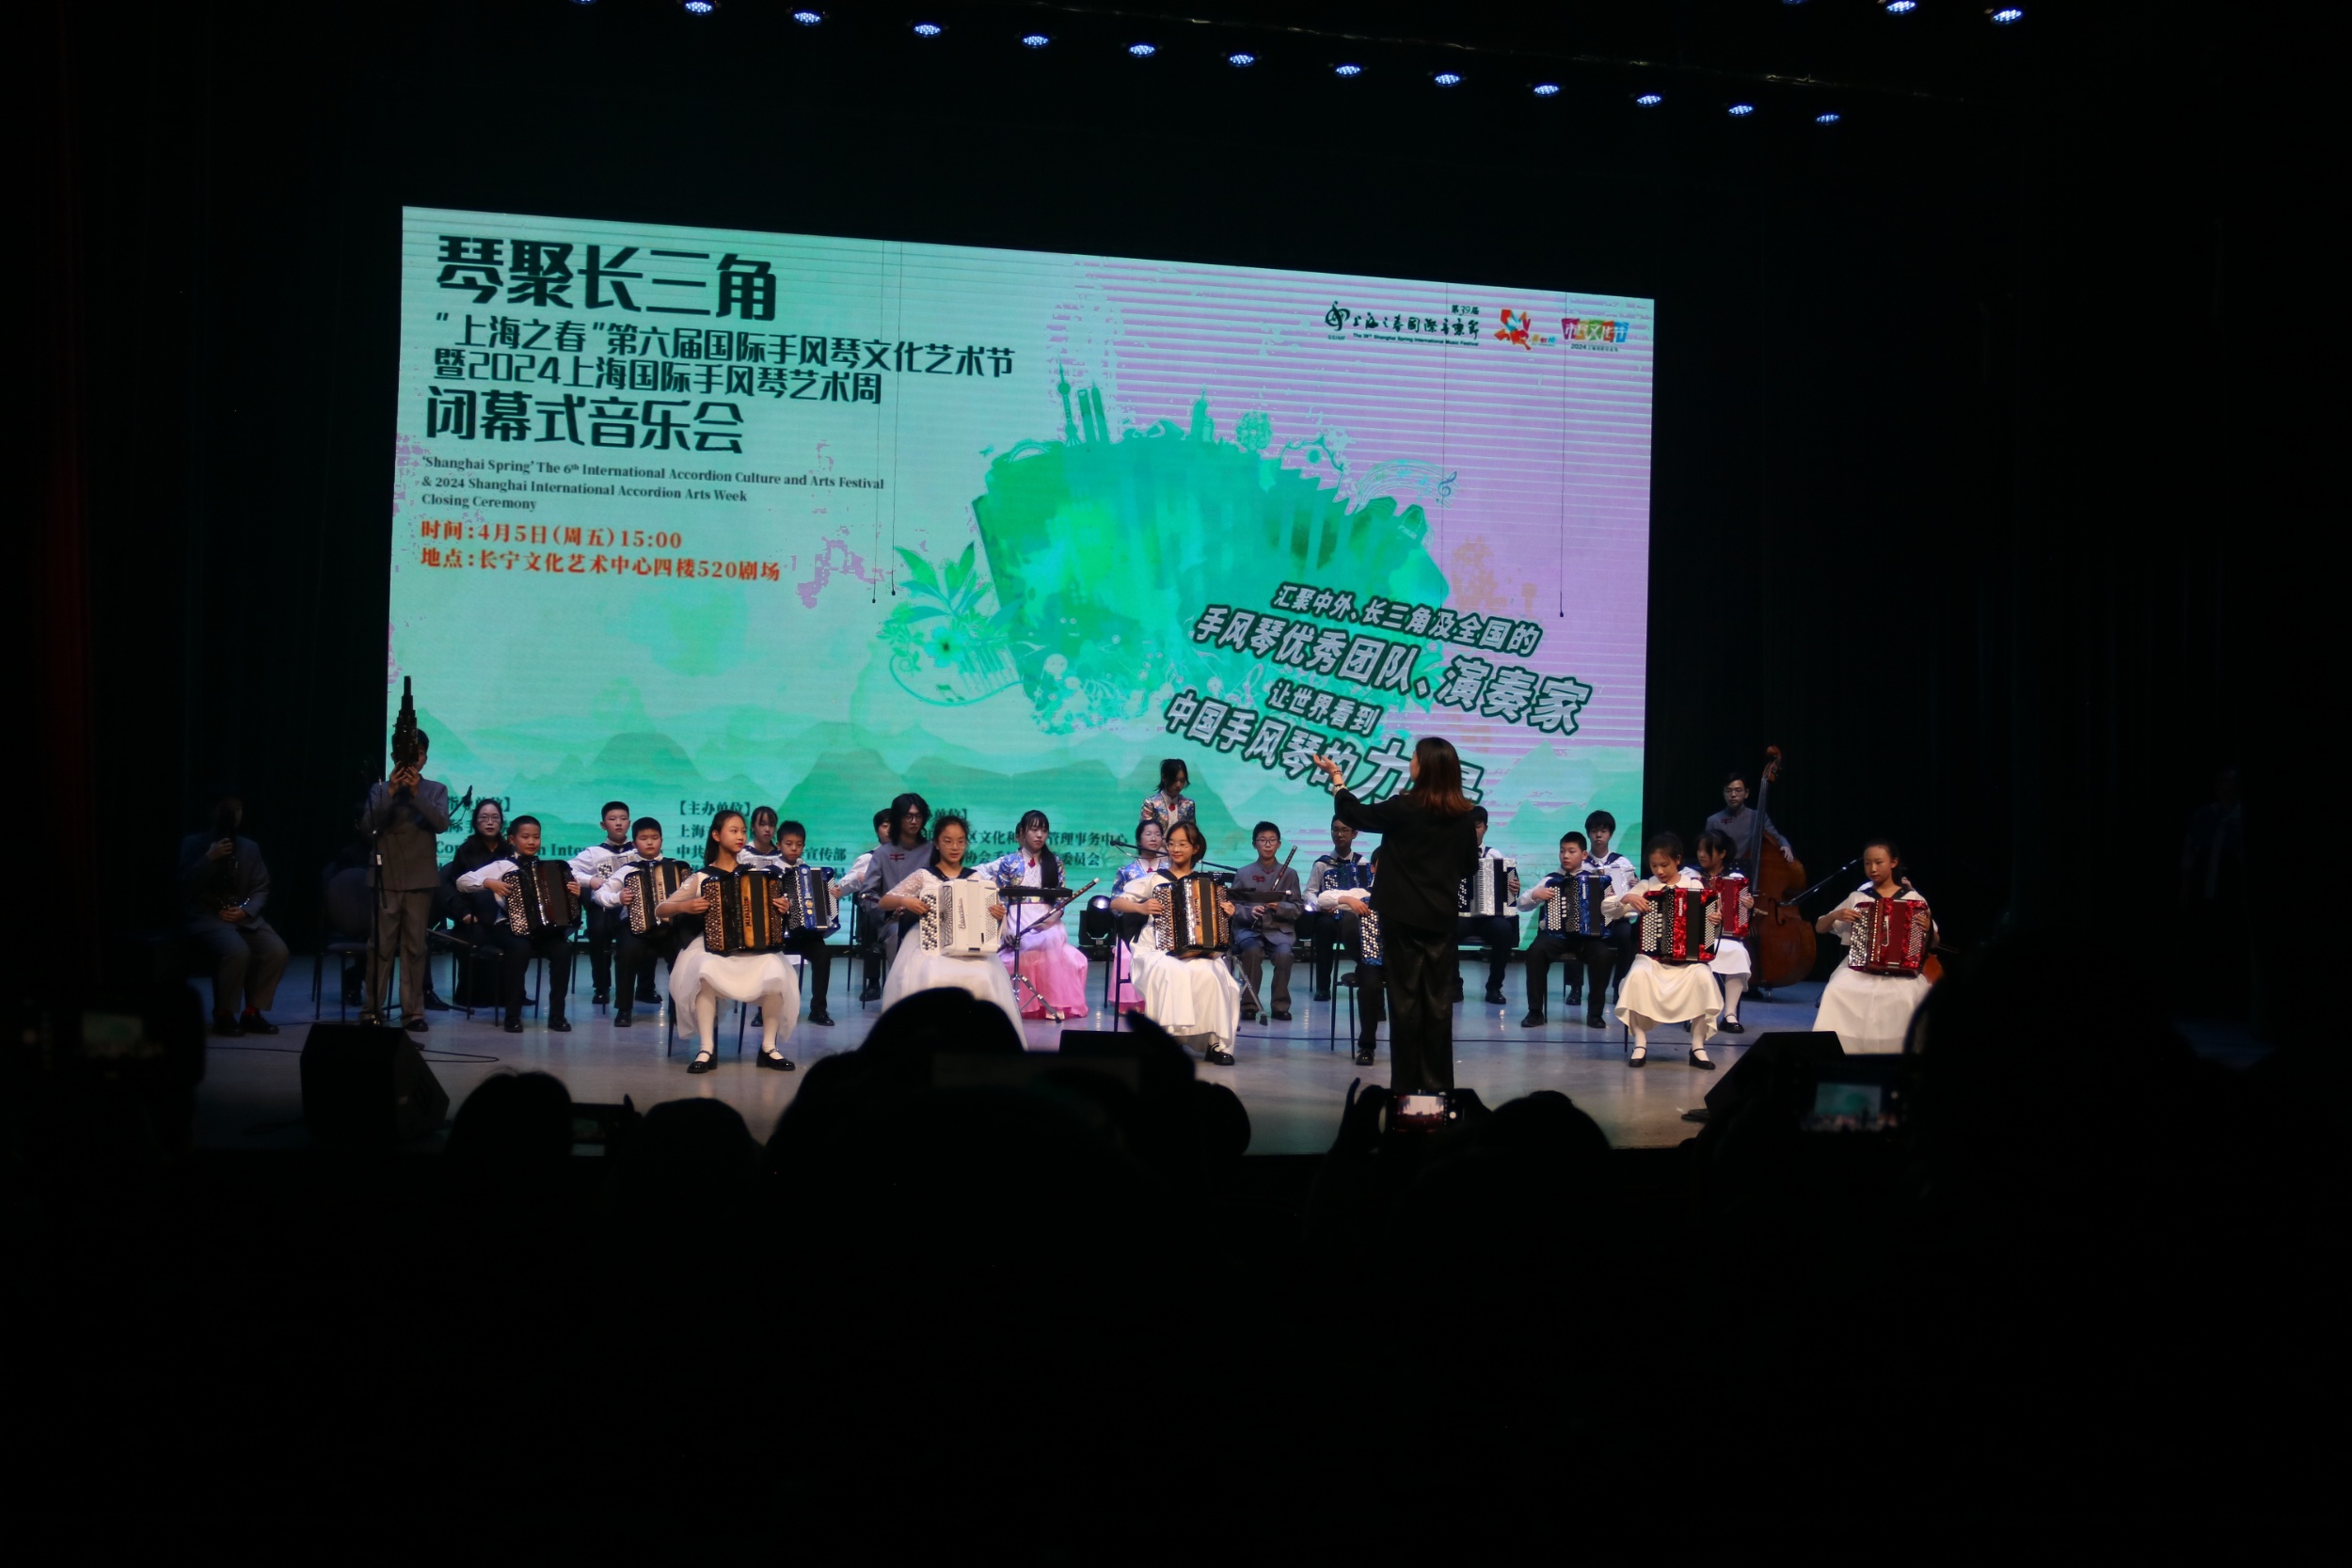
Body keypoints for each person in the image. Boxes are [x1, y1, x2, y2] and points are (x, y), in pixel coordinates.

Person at [1311, 737, 1480, 1097]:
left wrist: (1337, 778)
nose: (1410, 762)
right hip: (1441, 919)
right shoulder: (1464, 815)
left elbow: (1354, 814)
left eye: (1414, 757)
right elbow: (1468, 866)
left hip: (1401, 918)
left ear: (1425, 766)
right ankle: (1438, 1087)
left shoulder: (1405, 807)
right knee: (1438, 1004)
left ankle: (1405, 1088)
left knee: (1405, 1003)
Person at [654, 810, 801, 1074]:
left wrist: (783, 906)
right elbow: (661, 909)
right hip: (713, 946)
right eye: (733, 831)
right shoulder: (701, 877)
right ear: (716, 835)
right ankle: (706, 1048)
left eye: (743, 831)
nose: (741, 836)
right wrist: (686, 906)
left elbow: (773, 911)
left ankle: (769, 1047)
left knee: (777, 970)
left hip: (752, 949)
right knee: (704, 970)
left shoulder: (757, 875)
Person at [877, 814, 1025, 1035]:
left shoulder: (976, 878)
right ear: (936, 843)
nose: (955, 847)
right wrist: (906, 901)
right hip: (930, 944)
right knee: (931, 973)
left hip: (969, 948)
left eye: (960, 841)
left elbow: (988, 921)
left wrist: (997, 915)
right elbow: (884, 901)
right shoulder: (924, 876)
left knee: (986, 975)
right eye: (948, 841)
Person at [1111, 820, 1243, 1066]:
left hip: (1196, 951)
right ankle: (1167, 1041)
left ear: (1195, 848)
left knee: (1212, 973)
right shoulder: (1155, 879)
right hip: (1155, 947)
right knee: (1171, 971)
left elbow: (1214, 922)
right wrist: (1141, 907)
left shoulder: (1205, 884)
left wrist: (1226, 912)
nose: (1176, 849)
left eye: (1182, 844)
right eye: (1171, 844)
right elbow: (1116, 902)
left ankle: (1215, 1043)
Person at [455, 815, 582, 1035]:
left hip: (542, 929)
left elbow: (562, 902)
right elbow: (462, 882)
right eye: (525, 837)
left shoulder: (550, 868)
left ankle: (557, 1015)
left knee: (563, 950)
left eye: (536, 837)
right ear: (512, 839)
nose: (532, 842)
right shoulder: (503, 865)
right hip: (508, 926)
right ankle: (512, 1015)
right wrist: (488, 883)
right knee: (519, 948)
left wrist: (574, 893)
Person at [1606, 832, 1724, 1069]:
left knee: (1704, 977)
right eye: (1654, 865)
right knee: (1636, 975)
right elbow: (1607, 909)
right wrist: (1626, 898)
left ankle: (1697, 1046)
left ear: (1677, 860)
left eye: (1664, 865)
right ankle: (1640, 1043)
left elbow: (1712, 927)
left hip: (1688, 962)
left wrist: (1715, 920)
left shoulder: (1694, 885)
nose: (1659, 871)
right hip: (1653, 959)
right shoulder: (1646, 886)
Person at [361, 732, 452, 1031]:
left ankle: (413, 1013)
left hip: (419, 878)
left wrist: (414, 793)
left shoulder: (435, 789)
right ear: (393, 757)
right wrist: (391, 791)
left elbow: (441, 823)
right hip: (385, 877)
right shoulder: (379, 790)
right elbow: (367, 827)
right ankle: (372, 1010)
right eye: (407, 754)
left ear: (425, 758)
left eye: (419, 754)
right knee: (380, 947)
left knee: (415, 947)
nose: (414, 760)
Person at [177, 796, 289, 1037]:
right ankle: (224, 1014)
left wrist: (245, 909)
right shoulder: (194, 843)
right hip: (208, 916)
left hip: (243, 915)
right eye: (227, 808)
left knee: (276, 951)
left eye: (238, 808)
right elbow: (185, 885)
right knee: (237, 951)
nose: (234, 813)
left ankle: (252, 1012)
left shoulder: (249, 847)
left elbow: (261, 886)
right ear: (212, 811)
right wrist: (208, 859)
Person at [1813, 839, 1935, 1054]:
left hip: (1901, 969)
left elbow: (1934, 942)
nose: (1873, 868)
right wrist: (1835, 915)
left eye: (1879, 862)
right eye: (1868, 863)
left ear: (1893, 863)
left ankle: (1900, 1053)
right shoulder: (1858, 897)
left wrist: (1928, 930)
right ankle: (1839, 1052)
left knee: (1908, 997)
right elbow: (1820, 927)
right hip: (1859, 967)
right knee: (1836, 990)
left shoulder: (1913, 898)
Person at [988, 810, 1089, 1022]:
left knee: (1049, 941)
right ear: (1022, 833)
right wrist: (1005, 928)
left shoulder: (1054, 862)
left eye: (1044, 830)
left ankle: (1053, 1003)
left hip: (1047, 918)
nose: (1039, 835)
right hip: (1016, 916)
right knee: (1023, 946)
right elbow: (1001, 899)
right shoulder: (1008, 862)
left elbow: (1060, 901)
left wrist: (1050, 920)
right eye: (1034, 830)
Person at [596, 816, 692, 1029]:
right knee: (626, 952)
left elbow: (692, 894)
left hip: (669, 928)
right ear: (634, 842)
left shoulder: (677, 868)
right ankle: (624, 1008)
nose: (649, 842)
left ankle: (678, 1009)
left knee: (683, 954)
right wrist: (618, 898)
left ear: (661, 840)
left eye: (654, 838)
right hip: (634, 928)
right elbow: (599, 894)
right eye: (643, 838)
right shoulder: (627, 870)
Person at [1516, 831, 1616, 1031]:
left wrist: (1611, 902)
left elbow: (1611, 910)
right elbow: (1522, 904)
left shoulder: (1597, 880)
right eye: (1562, 851)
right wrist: (1536, 894)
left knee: (1603, 955)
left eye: (1571, 851)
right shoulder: (1551, 879)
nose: (1566, 856)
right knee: (1535, 952)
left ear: (1584, 855)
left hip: (1586, 938)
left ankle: (1595, 1014)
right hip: (1555, 936)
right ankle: (1535, 1012)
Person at [766, 819, 840, 1026]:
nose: (794, 848)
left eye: (798, 844)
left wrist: (832, 895)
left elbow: (819, 903)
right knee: (766, 955)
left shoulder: (808, 871)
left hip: (803, 934)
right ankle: (764, 1010)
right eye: (789, 844)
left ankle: (818, 1009)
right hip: (777, 933)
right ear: (778, 845)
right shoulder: (771, 872)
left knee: (823, 954)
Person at [861, 791, 934, 999]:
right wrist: (891, 909)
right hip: (895, 920)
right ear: (897, 818)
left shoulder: (932, 850)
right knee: (896, 935)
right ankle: (899, 994)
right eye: (908, 816)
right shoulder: (882, 853)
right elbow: (867, 895)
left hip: (930, 918)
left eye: (918, 816)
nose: (914, 821)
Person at [570, 800, 643, 1009]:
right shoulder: (594, 853)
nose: (618, 823)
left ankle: (645, 987)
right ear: (603, 825)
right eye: (612, 819)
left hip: (632, 907)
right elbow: (568, 869)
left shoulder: (639, 850)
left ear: (629, 823)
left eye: (623, 819)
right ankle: (601, 987)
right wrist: (590, 880)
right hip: (604, 907)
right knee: (598, 929)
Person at [1230, 821, 1304, 1022]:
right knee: (1252, 953)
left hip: (1279, 931)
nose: (1268, 844)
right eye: (1262, 840)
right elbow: (1233, 906)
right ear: (1254, 844)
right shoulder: (1243, 873)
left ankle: (1280, 1006)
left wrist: (1278, 907)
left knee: (1284, 955)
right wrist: (1250, 911)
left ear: (1279, 844)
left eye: (1272, 840)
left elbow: (1298, 907)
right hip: (1250, 930)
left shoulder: (1290, 874)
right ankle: (1249, 1005)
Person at [1318, 847, 1384, 1067]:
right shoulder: (1362, 894)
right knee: (1369, 985)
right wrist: (1348, 900)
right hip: (1370, 961)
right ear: (1373, 868)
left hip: (1401, 960)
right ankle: (1367, 1046)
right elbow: (1323, 899)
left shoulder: (1406, 894)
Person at [1455, 804, 1521, 1006]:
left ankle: (1494, 987)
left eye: (1477, 827)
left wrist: (1514, 888)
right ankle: (1454, 985)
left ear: (1485, 828)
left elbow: (1512, 893)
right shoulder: (1453, 855)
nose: (1473, 831)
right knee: (1445, 931)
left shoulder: (1495, 856)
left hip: (1489, 917)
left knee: (1504, 930)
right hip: (1462, 916)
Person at [1301, 815, 1370, 1001]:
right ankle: (1323, 987)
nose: (1339, 834)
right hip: (1329, 916)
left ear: (1354, 834)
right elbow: (1309, 893)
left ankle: (1365, 974)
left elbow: (1367, 893)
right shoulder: (1322, 864)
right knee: (1324, 926)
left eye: (1344, 830)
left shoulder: (1363, 863)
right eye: (1335, 830)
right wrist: (1320, 906)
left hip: (1355, 917)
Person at [1695, 828, 1756, 1033]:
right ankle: (1699, 1013)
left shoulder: (1735, 879)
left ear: (1722, 853)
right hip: (1695, 936)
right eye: (1699, 849)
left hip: (1727, 936)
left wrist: (1748, 906)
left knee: (1739, 953)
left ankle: (1730, 1014)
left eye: (1707, 850)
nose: (1701, 854)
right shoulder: (1691, 877)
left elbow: (1742, 917)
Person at [833, 807, 897, 1001]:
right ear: (877, 830)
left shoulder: (910, 855)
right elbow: (847, 883)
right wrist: (842, 888)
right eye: (884, 826)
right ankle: (873, 983)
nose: (889, 830)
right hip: (877, 915)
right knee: (869, 913)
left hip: (903, 910)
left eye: (893, 825)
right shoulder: (869, 858)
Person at [1108, 820, 1171, 1014]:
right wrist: (1139, 908)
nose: (1154, 838)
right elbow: (1115, 904)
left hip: (1164, 926)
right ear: (1138, 840)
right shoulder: (1127, 871)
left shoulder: (1170, 869)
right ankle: (1133, 1001)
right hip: (1132, 925)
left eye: (1158, 834)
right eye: (1148, 834)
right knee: (1126, 953)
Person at [1582, 809, 1639, 1009]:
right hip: (1588, 918)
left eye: (1603, 831)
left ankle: (1619, 986)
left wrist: (1635, 885)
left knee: (1626, 933)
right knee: (1573, 930)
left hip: (1616, 918)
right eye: (1594, 831)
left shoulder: (1622, 863)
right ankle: (1575, 988)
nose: (1598, 835)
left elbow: (1634, 894)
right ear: (1588, 833)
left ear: (1611, 834)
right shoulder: (1581, 863)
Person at [1705, 770, 1795, 879]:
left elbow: (1775, 837)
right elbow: (1707, 851)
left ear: (1746, 793)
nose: (1733, 795)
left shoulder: (1758, 816)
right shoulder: (1713, 820)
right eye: (1728, 791)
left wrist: (1784, 844)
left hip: (1754, 872)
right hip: (1723, 875)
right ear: (1723, 793)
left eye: (1738, 790)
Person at [1139, 758, 1196, 840]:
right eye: (1174, 780)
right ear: (1164, 778)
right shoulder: (1150, 803)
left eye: (1182, 780)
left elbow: (1192, 834)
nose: (1178, 785)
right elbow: (1144, 835)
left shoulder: (1188, 804)